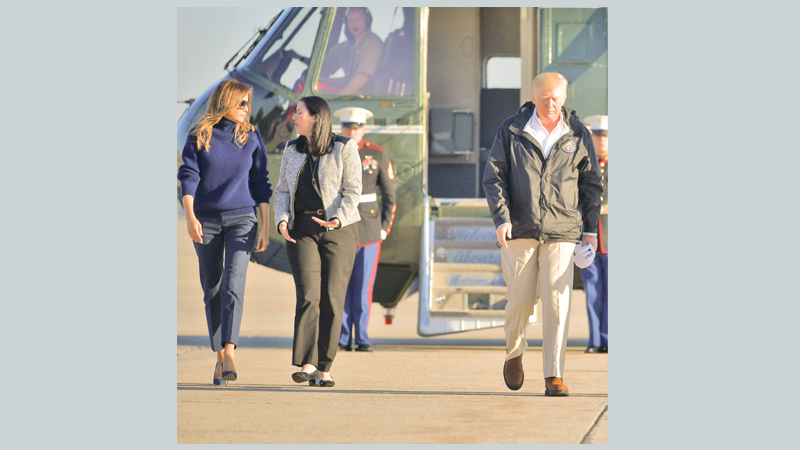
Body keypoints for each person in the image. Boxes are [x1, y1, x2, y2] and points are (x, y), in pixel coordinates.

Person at [482, 72, 603, 396]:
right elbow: (494, 177)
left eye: (557, 98)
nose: (551, 104)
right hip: (520, 229)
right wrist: (502, 219)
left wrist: (589, 231)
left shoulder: (577, 132)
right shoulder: (512, 129)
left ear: (564, 97)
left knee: (557, 301)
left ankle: (554, 375)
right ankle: (515, 352)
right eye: (545, 98)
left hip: (562, 230)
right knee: (520, 302)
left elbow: (591, 183)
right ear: (533, 97)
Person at [177, 78, 273, 385]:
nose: (247, 109)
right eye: (241, 103)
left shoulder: (252, 136)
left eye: (248, 103)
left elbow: (261, 183)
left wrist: (265, 226)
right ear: (225, 102)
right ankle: (219, 358)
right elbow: (188, 177)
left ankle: (230, 350)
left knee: (234, 284)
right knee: (213, 289)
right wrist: (190, 218)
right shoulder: (199, 136)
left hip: (243, 219)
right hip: (205, 220)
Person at [274, 96, 362, 387]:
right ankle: (308, 363)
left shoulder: (345, 147)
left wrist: (338, 218)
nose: (294, 117)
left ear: (315, 117)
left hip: (339, 230)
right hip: (302, 230)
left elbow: (353, 191)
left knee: (332, 299)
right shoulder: (291, 149)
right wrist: (282, 219)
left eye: (299, 112)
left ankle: (324, 367)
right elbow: (283, 191)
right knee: (309, 296)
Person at [333, 107, 396, 352]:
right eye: (348, 127)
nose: (353, 131)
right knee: (341, 285)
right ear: (342, 128)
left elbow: (390, 195)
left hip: (369, 228)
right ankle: (342, 336)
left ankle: (362, 337)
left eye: (357, 127)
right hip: (341, 226)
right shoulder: (334, 151)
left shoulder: (376, 153)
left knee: (363, 287)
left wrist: (384, 228)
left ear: (364, 129)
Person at [581, 115, 609, 354]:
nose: (602, 141)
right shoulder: (583, 164)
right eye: (598, 136)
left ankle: (608, 338)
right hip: (589, 238)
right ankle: (595, 340)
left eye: (606, 136)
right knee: (592, 291)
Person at [319, 7, 383, 95]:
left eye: (358, 20)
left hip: (362, 94)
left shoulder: (372, 44)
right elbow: (327, 63)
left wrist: (338, 99)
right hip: (347, 85)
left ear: (367, 20)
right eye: (351, 21)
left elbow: (362, 78)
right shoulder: (348, 45)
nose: (354, 25)